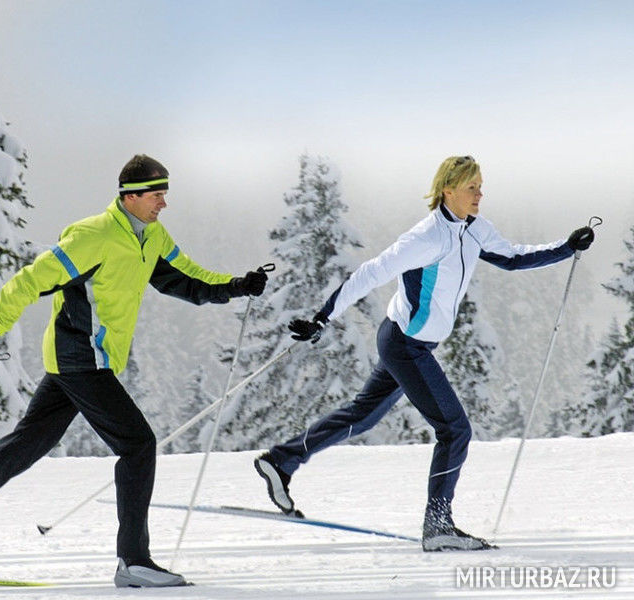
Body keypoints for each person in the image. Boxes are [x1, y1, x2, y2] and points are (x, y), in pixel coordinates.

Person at [0, 154, 268, 587]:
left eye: (165, 194)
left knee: (28, 444)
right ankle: (133, 561)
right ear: (130, 197)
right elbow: (27, 282)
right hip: (81, 358)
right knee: (138, 445)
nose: (163, 203)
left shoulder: (151, 236)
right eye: (156, 195)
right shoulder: (92, 237)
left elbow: (185, 278)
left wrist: (236, 286)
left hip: (87, 361)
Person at [254, 155, 594, 552]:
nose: (479, 194)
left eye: (480, 186)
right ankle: (438, 525)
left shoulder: (475, 229)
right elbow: (370, 272)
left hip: (408, 343)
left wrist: (566, 248)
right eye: (471, 187)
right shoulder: (427, 237)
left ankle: (281, 461)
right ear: (448, 190)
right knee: (455, 429)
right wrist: (322, 318)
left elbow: (514, 258)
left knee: (363, 416)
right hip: (405, 345)